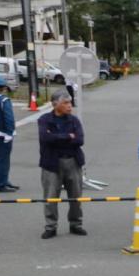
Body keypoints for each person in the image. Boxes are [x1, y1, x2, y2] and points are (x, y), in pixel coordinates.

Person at [38, 90, 85, 240]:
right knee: (51, 196)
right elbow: (46, 138)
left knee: (76, 196)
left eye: (70, 102)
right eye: (65, 103)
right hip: (52, 163)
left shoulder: (74, 121)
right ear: (55, 104)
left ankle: (76, 224)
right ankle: (51, 226)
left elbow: (79, 140)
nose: (69, 106)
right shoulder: (44, 120)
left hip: (73, 161)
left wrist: (58, 138)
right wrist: (67, 137)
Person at [0, 74, 16, 193]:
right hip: (3, 134)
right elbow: (9, 118)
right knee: (3, 159)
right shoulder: (4, 100)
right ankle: (2, 183)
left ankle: (3, 180)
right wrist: (10, 133)